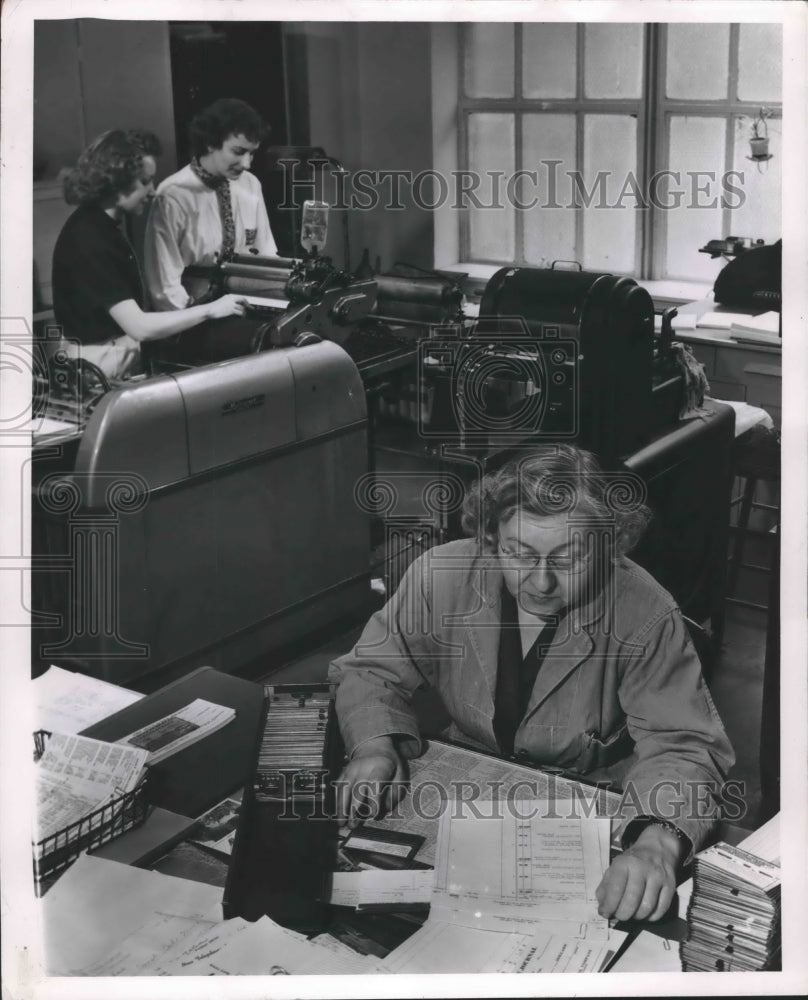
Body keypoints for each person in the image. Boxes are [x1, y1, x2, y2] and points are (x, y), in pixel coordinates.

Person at [329, 445, 735, 923]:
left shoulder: (644, 611)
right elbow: (370, 668)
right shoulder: (443, 576)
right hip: (468, 785)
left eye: (568, 560)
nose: (540, 583)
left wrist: (658, 842)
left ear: (610, 545)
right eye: (518, 554)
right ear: (491, 536)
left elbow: (683, 744)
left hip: (592, 804)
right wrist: (374, 747)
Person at [51, 129, 248, 381]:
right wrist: (210, 310)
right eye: (145, 181)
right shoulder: (92, 239)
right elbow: (139, 326)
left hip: (107, 360)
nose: (153, 191)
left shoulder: (97, 226)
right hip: (97, 368)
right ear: (115, 180)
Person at [144, 98, 277, 311]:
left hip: (246, 301)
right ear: (210, 143)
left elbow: (266, 255)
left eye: (252, 153)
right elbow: (164, 288)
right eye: (238, 151)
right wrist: (202, 314)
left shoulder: (251, 185)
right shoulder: (173, 195)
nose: (247, 164)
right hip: (191, 311)